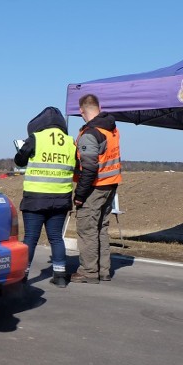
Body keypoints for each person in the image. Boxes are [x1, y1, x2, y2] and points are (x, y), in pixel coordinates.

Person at [14, 107, 76, 287]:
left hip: (36, 198)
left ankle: (22, 276)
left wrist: (22, 148)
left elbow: (19, 161)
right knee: (56, 237)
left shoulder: (36, 138)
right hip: (61, 199)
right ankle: (60, 276)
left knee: (31, 238)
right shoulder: (70, 142)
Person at [71, 94, 121, 283]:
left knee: (87, 229)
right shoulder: (112, 129)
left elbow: (90, 167)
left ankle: (88, 271)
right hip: (111, 184)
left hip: (95, 187)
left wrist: (80, 195)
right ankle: (103, 270)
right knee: (101, 228)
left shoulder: (90, 134)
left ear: (82, 111)